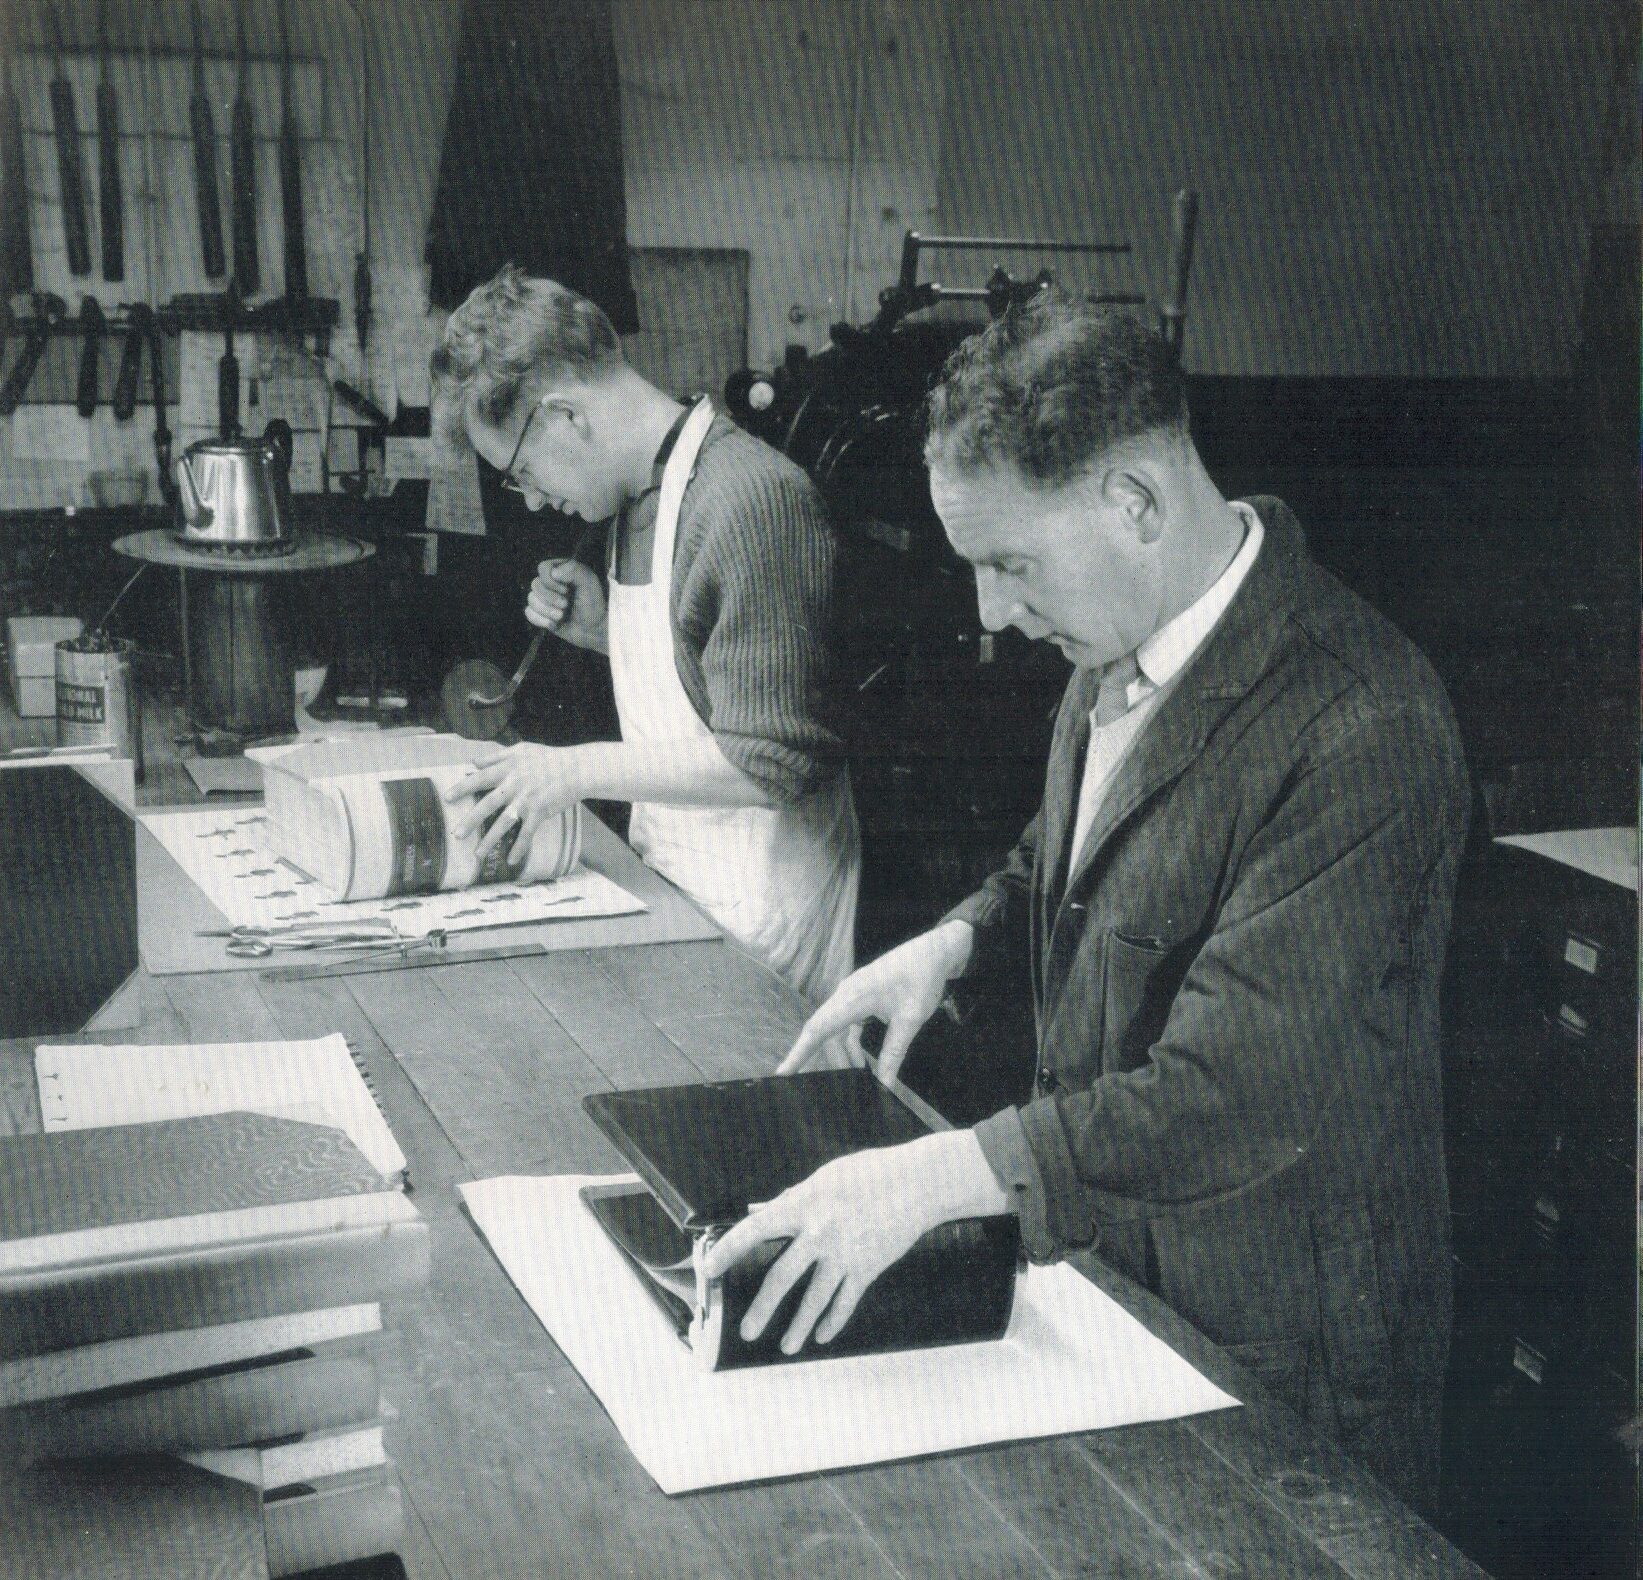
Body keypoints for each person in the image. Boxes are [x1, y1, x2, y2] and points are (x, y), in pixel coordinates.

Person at [704, 292, 1470, 1513]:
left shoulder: (1362, 726)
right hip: (1125, 1267)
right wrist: (954, 941)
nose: (987, 613)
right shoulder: (1116, 641)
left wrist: (926, 1178)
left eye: (1009, 562)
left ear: (1135, 504)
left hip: (1283, 1351)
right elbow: (1066, 855)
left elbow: (1235, 1092)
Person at [429, 265, 859, 1002]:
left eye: (523, 471)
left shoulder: (748, 501)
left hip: (764, 930)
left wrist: (570, 772)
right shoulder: (640, 499)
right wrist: (603, 631)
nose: (533, 501)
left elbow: (776, 760)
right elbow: (710, 683)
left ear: (566, 415)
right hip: (680, 890)